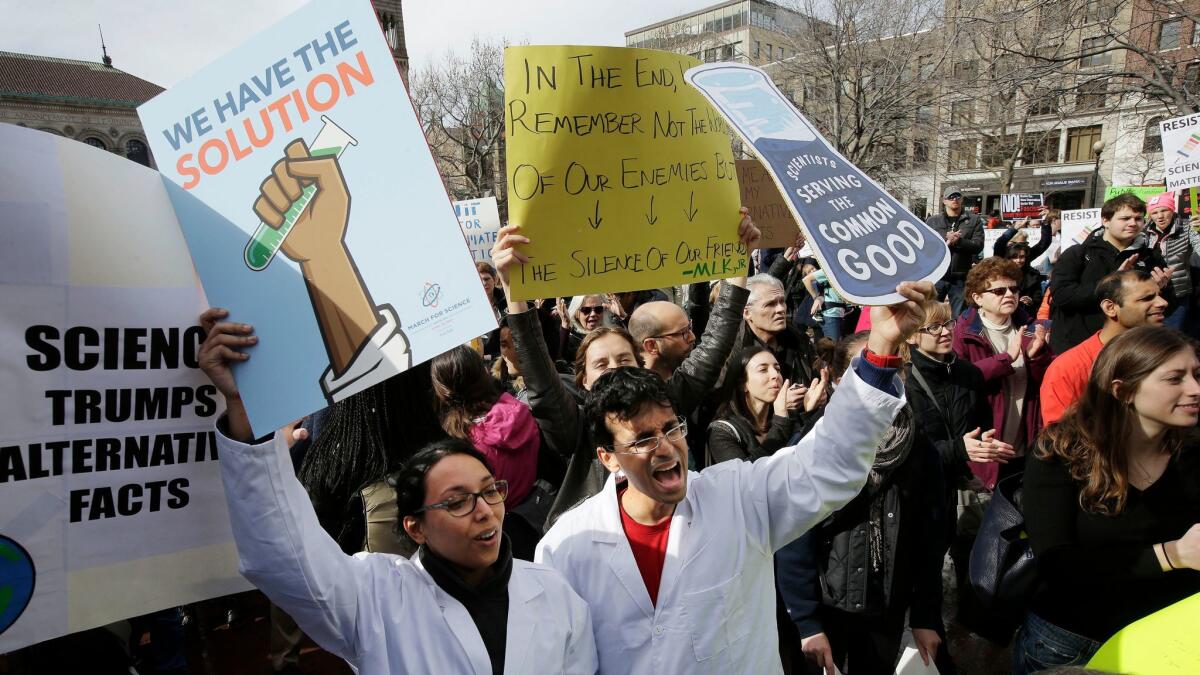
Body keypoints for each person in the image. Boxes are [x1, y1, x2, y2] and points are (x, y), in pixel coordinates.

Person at [535, 281, 934, 674]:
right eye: (642, 439)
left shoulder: (739, 498)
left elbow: (827, 463)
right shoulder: (566, 548)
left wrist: (881, 346)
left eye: (671, 428)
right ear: (608, 457)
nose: (666, 447)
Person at [196, 316, 598, 674]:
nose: (484, 513)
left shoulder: (556, 594)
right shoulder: (375, 600)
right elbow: (281, 557)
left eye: (490, 491)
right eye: (456, 501)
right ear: (415, 527)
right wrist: (245, 413)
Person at [495, 212, 760, 526]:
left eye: (623, 360)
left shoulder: (665, 400)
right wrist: (513, 291)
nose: (614, 370)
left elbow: (714, 346)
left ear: (641, 364)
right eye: (601, 365)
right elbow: (539, 374)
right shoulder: (578, 427)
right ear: (583, 380)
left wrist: (737, 262)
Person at [1016, 326, 1200, 672]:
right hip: (1074, 645)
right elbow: (1058, 565)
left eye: (1196, 374)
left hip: (1170, 643)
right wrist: (1171, 554)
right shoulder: (1061, 453)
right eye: (1175, 379)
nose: (1195, 389)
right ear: (1123, 390)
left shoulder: (1192, 452)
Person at [777, 332, 946, 674]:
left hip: (886, 604)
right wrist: (807, 622)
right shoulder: (813, 442)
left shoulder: (919, 445)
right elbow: (794, 539)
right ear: (841, 382)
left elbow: (932, 537)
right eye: (870, 368)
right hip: (827, 606)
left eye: (895, 367)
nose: (887, 378)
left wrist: (926, 615)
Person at [431, 345, 544, 557]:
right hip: (533, 516)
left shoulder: (463, 443)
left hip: (493, 536)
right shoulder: (519, 411)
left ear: (443, 387)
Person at [953, 257, 1052, 490]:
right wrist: (1005, 359)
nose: (1009, 295)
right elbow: (960, 380)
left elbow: (1043, 385)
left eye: (1014, 288)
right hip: (985, 448)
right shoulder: (963, 333)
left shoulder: (1029, 328)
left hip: (1024, 444)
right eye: (998, 290)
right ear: (977, 298)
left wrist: (1038, 357)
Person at [1050, 192, 1173, 353]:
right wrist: (1110, 282)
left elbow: (1165, 308)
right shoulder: (1078, 254)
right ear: (1106, 221)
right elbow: (1062, 296)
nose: (1133, 223)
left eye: (1138, 218)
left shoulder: (1151, 257)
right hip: (1078, 346)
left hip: (1130, 349)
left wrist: (1161, 290)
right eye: (1125, 218)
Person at [1041, 270, 1169, 425]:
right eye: (1147, 298)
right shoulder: (1069, 368)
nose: (1162, 303)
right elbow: (1059, 440)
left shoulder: (1170, 356)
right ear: (1110, 307)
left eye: (1159, 295)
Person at [705, 346, 829, 465]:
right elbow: (746, 478)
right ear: (743, 384)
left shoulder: (787, 417)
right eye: (763, 370)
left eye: (778, 369)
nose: (775, 375)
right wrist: (780, 421)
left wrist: (810, 412)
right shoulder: (721, 432)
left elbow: (808, 457)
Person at [740, 273, 818, 384]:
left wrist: (820, 393)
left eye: (782, 301)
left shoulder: (799, 340)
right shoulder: (735, 352)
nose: (780, 309)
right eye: (770, 304)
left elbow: (818, 377)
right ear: (747, 313)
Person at [1145, 191, 1200, 332]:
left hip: (1179, 293)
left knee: (1175, 335)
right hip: (1151, 293)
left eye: (1164, 210)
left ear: (1172, 210)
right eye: (1155, 212)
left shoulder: (1188, 227)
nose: (1160, 216)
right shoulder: (1143, 232)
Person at [926, 187, 986, 316]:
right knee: (931, 314)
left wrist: (959, 241)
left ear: (962, 199)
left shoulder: (974, 220)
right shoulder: (933, 221)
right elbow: (926, 246)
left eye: (958, 196)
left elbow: (978, 245)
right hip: (938, 276)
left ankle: (955, 336)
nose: (955, 199)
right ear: (944, 201)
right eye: (951, 197)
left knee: (959, 317)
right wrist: (946, 240)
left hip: (961, 276)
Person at [803, 264, 849, 341]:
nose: (813, 271)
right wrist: (816, 297)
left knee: (837, 345)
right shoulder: (828, 270)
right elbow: (806, 280)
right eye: (809, 271)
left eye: (813, 268)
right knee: (833, 346)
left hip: (837, 314)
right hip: (831, 315)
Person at [558, 294, 608, 361]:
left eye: (598, 309)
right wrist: (565, 325)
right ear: (576, 313)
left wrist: (623, 317)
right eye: (586, 310)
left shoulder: (610, 334)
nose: (593, 314)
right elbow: (560, 359)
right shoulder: (570, 338)